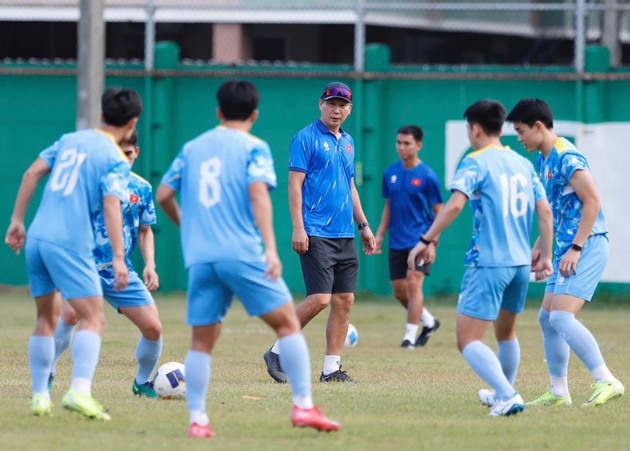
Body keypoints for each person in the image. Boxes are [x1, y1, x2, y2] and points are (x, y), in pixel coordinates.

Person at [156, 80, 339, 438]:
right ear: (254, 114)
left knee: (201, 343)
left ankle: (198, 420)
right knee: (288, 326)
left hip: (201, 257)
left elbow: (164, 194)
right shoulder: (254, 147)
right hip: (240, 252)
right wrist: (270, 248)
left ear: (218, 111)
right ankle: (304, 406)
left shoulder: (193, 147)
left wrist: (188, 226)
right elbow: (258, 195)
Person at [407, 99, 554, 416]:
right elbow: (545, 211)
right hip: (519, 264)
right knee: (506, 334)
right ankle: (503, 393)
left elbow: (455, 205)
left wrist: (425, 240)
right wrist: (546, 254)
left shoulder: (475, 161)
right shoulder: (522, 163)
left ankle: (507, 394)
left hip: (489, 262)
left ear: (474, 129)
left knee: (467, 340)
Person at [4, 87, 142, 420]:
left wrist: (17, 221)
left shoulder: (69, 140)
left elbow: (31, 173)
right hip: (69, 242)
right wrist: (119, 257)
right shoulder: (115, 158)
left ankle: (40, 396)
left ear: (102, 115)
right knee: (94, 318)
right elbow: (112, 205)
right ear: (133, 122)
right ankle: (79, 391)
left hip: (37, 238)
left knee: (46, 319)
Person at [506, 98, 624, 408]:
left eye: (520, 131)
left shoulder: (567, 156)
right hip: (565, 248)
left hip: (587, 245)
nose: (519, 139)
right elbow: (557, 211)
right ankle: (559, 392)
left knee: (560, 316)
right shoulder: (543, 160)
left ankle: (606, 380)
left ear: (538, 126)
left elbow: (593, 202)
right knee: (547, 318)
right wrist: (540, 246)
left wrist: (577, 247)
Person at [263, 81, 376, 384]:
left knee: (345, 299)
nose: (336, 110)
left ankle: (331, 369)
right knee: (319, 298)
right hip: (315, 230)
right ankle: (277, 351)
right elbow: (294, 184)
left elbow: (350, 186)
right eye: (331, 103)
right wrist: (298, 227)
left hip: (345, 233)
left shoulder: (348, 141)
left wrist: (363, 225)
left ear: (350, 109)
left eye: (343, 105)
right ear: (321, 105)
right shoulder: (306, 137)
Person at [49, 130, 162, 399]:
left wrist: (150, 264)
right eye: (117, 153)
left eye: (128, 154)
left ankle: (142, 382)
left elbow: (145, 230)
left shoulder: (142, 188)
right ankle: (48, 371)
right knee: (71, 314)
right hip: (83, 265)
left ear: (136, 153)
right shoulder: (90, 183)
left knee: (153, 328)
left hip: (119, 271)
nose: (123, 159)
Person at [374, 125, 443, 349]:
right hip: (397, 240)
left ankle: (409, 338)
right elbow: (389, 206)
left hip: (420, 240)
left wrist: (432, 242)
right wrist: (380, 234)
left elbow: (440, 212)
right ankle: (429, 321)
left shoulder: (428, 176)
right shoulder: (390, 173)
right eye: (399, 142)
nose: (401, 147)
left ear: (418, 145)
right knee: (399, 291)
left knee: (414, 284)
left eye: (407, 143)